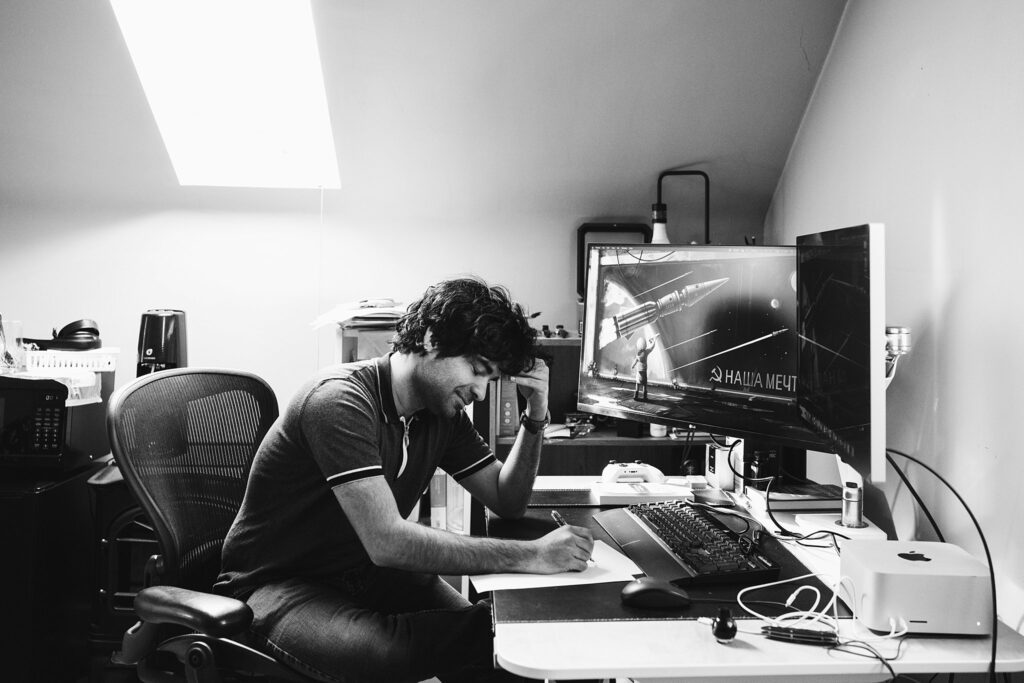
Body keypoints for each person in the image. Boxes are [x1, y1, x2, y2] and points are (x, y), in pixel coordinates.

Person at [215, 277, 594, 683]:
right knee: (406, 650)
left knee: (504, 635)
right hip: (281, 586)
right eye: (478, 370)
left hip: (363, 576)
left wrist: (536, 414)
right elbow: (388, 542)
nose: (482, 393)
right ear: (432, 338)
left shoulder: (440, 412)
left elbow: (507, 499)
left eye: (492, 378)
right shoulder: (339, 401)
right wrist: (531, 556)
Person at [631, 335, 657, 400]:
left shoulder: (638, 354)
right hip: (644, 370)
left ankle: (635, 396)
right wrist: (654, 340)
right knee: (644, 384)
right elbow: (652, 347)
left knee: (637, 383)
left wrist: (633, 365)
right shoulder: (646, 352)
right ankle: (644, 397)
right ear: (645, 345)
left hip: (638, 371)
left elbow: (635, 360)